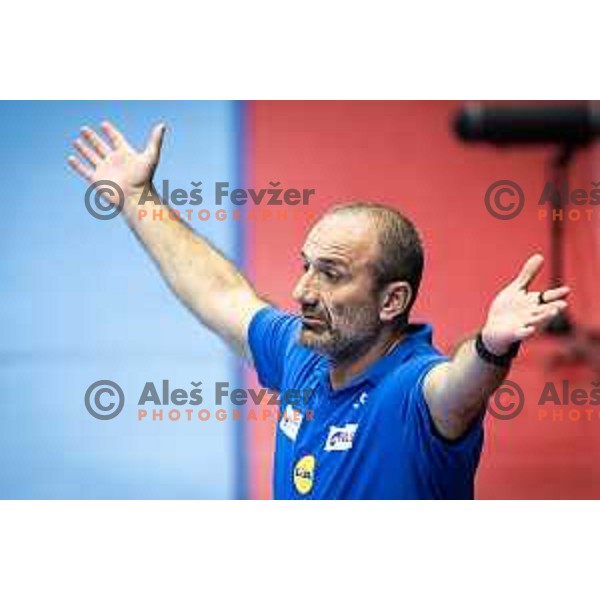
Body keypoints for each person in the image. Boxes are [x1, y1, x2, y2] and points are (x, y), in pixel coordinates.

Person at [68, 121, 571, 499]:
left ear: (391, 300)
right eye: (306, 266)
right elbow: (221, 296)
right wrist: (138, 200)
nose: (302, 289)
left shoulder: (413, 388)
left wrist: (490, 346)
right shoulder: (302, 353)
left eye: (330, 274)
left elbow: (459, 389)